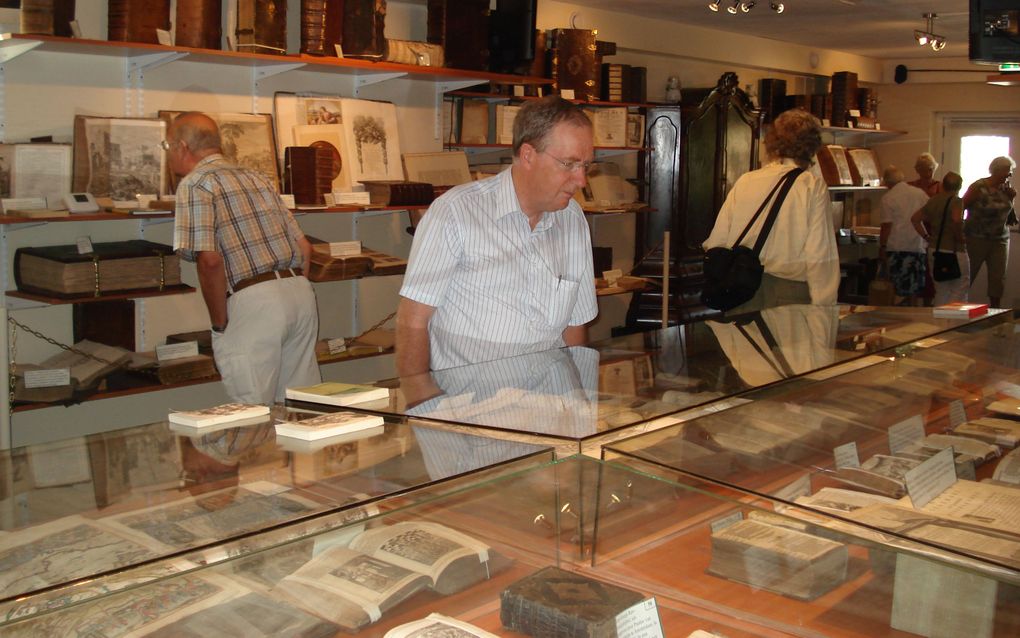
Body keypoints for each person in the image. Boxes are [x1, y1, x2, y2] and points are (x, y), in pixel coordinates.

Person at [395, 96, 598, 375]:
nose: (581, 180)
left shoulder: (573, 219)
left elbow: (574, 326)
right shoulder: (455, 213)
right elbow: (412, 323)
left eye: (586, 166)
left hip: (547, 406)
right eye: (569, 164)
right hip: (472, 408)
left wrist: (579, 404)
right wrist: (420, 404)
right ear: (528, 155)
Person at [169, 112, 321, 405]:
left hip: (254, 300)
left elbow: (210, 261)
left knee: (252, 412)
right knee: (304, 408)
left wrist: (219, 324)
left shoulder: (195, 184)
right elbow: (304, 247)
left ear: (182, 147)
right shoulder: (256, 176)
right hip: (299, 292)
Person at [703, 108, 839, 314]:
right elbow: (820, 255)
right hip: (789, 294)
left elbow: (716, 241)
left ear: (772, 141)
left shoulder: (747, 181)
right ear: (812, 146)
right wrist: (824, 307)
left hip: (741, 289)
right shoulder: (811, 186)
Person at [963, 155, 1017, 308]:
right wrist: (958, 230)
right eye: (1008, 171)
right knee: (968, 275)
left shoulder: (1006, 188)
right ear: (997, 170)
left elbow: (1007, 213)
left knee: (998, 279)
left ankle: (995, 312)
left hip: (1000, 239)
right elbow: (961, 206)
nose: (1010, 174)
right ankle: (958, 307)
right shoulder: (978, 187)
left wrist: (1012, 198)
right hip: (976, 238)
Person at [911, 172, 968, 305]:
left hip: (934, 248)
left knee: (941, 289)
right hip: (954, 250)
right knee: (959, 287)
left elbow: (915, 219)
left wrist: (926, 236)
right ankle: (954, 320)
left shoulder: (934, 200)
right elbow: (956, 219)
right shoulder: (957, 201)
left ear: (943, 185)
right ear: (959, 187)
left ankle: (939, 320)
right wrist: (960, 237)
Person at [879, 166, 930, 306]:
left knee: (898, 287)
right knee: (914, 285)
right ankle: (913, 312)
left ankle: (898, 315)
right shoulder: (919, 193)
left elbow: (886, 226)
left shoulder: (888, 198)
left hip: (897, 245)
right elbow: (929, 214)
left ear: (888, 182)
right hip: (917, 244)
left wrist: (882, 246)